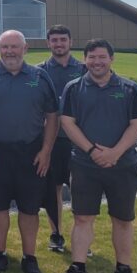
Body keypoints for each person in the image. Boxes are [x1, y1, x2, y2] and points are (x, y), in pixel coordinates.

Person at [55, 39, 137, 273]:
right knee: (83, 217)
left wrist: (115, 152)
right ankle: (78, 270)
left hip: (123, 164)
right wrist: (94, 151)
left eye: (102, 57)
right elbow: (67, 122)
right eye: (92, 57)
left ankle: (124, 270)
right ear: (85, 59)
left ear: (111, 59)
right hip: (85, 164)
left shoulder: (129, 88)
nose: (97, 62)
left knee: (123, 218)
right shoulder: (74, 88)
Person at [0, 30, 58, 273]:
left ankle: (30, 257)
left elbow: (52, 115)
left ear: (25, 49)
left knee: (30, 208)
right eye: (5, 47)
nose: (9, 51)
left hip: (32, 153)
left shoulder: (40, 76)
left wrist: (47, 150)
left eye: (15, 46)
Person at [37, 25, 85, 254]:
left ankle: (81, 237)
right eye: (54, 40)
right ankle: (56, 234)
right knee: (53, 189)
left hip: (79, 140)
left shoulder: (85, 69)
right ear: (48, 43)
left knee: (80, 188)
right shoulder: (40, 71)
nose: (58, 44)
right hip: (53, 140)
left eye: (62, 40)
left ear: (70, 41)